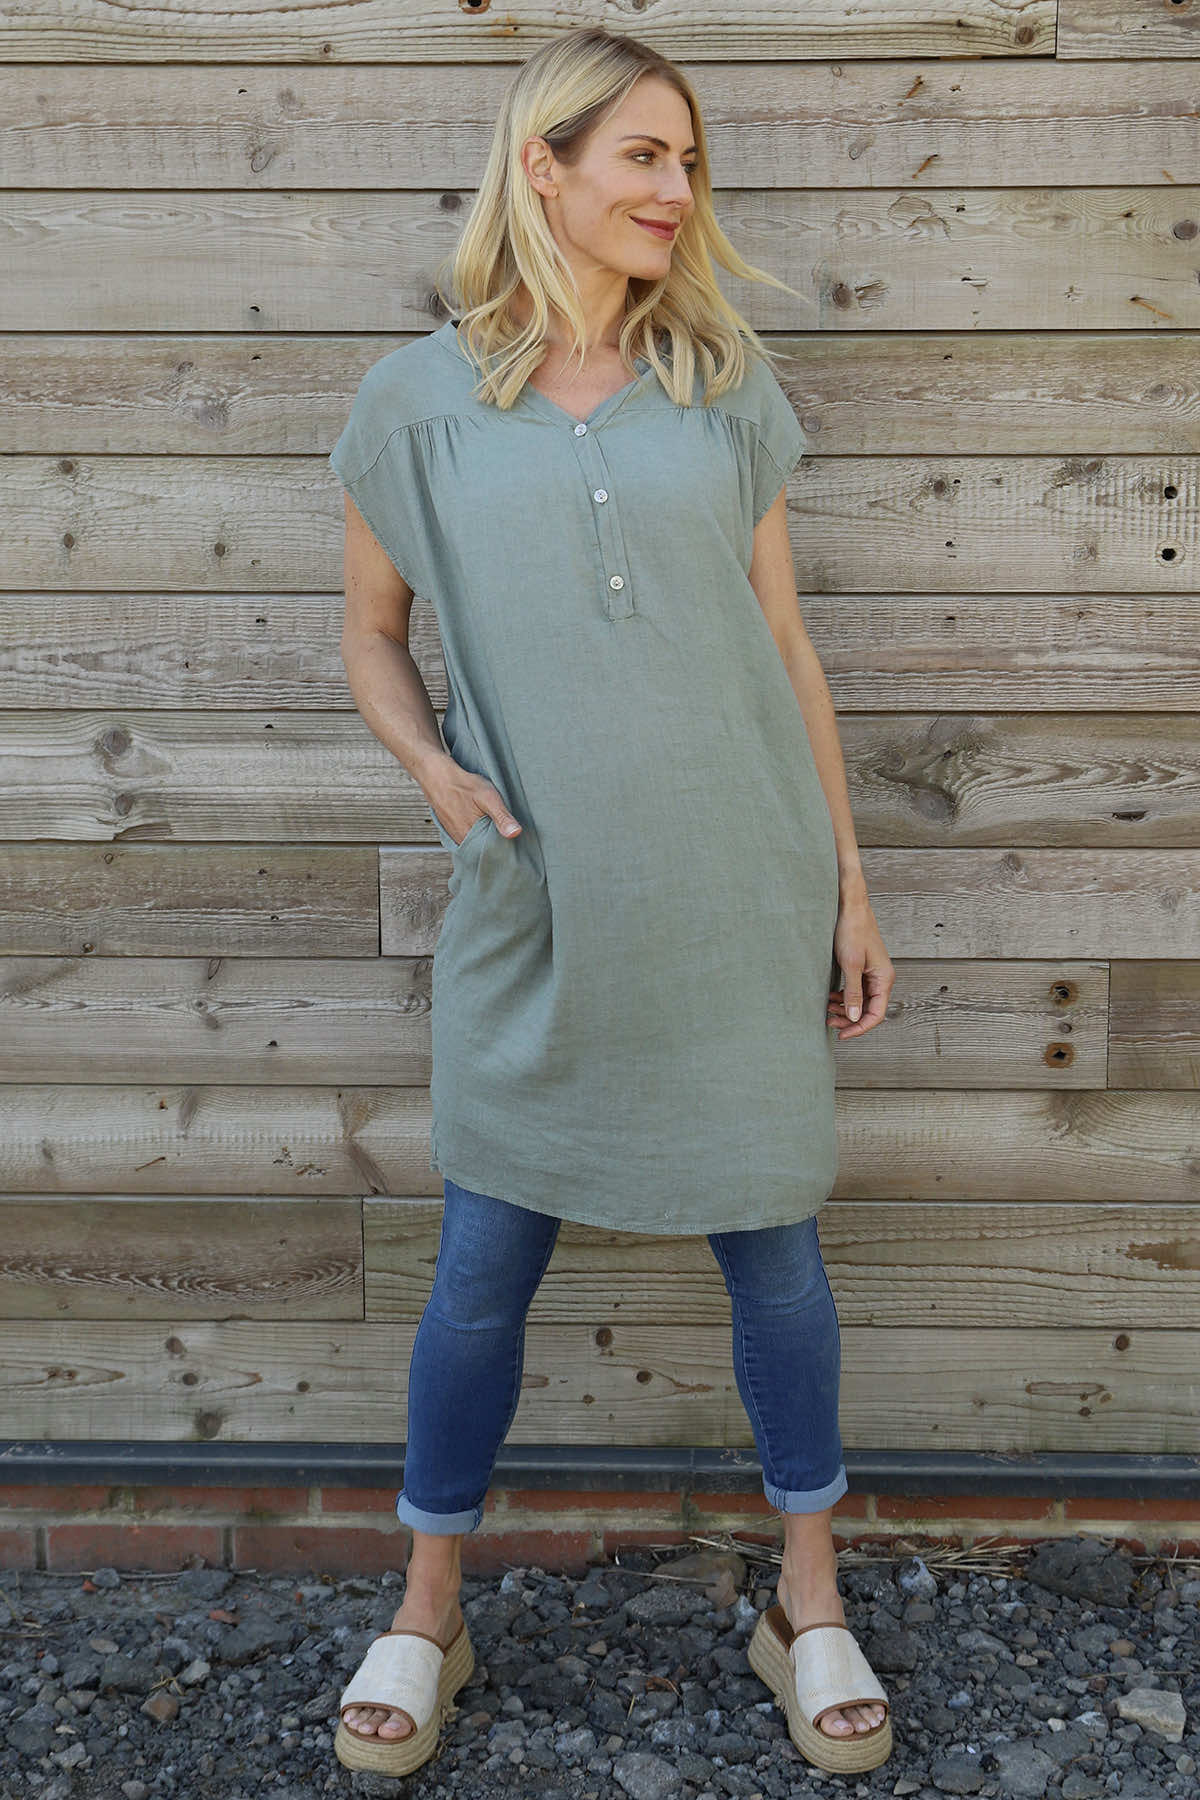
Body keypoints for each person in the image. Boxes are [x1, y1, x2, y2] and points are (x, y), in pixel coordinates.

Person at [329, 24, 896, 1780]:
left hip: (741, 887)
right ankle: (430, 1606)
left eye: (687, 162)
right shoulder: (415, 404)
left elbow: (785, 643)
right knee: (480, 1267)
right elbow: (370, 635)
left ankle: (806, 1600)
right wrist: (436, 773)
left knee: (776, 1255)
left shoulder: (722, 381)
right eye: (642, 155)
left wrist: (849, 885)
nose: (674, 189)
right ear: (545, 166)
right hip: (543, 904)